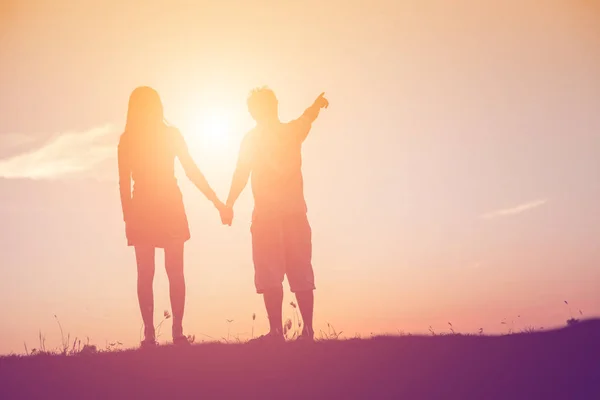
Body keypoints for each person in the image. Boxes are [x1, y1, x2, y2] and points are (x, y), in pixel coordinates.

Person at [118, 86, 226, 347]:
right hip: (158, 207)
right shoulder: (140, 138)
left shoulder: (131, 138)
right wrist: (216, 201)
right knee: (166, 272)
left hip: (152, 208)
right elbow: (191, 171)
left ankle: (157, 333)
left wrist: (215, 200)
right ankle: (168, 332)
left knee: (153, 272)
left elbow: (124, 183)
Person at [221, 87, 329, 342]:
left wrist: (229, 204)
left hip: (268, 216)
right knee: (300, 269)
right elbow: (307, 117)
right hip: (294, 213)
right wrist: (316, 105)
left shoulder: (252, 139)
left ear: (253, 112)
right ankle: (308, 331)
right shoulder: (291, 132)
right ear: (275, 106)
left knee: (270, 273)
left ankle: (276, 332)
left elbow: (241, 173)